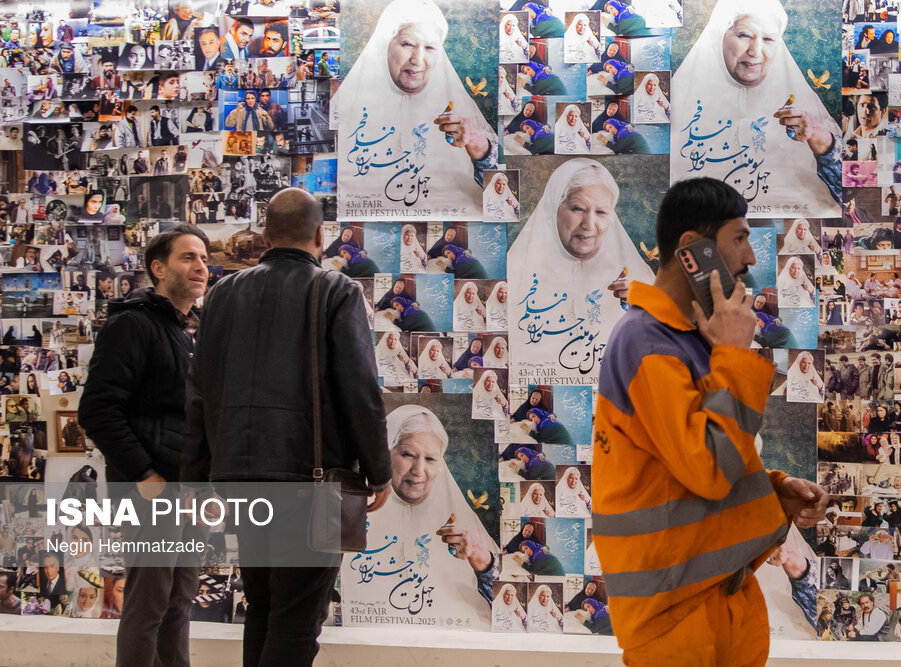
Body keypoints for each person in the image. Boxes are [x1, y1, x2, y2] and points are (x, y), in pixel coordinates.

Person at [593, 177, 827, 666]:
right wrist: (732, 354)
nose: (750, 258)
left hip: (717, 600)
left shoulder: (689, 340)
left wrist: (772, 491)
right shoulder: (643, 340)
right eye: (739, 238)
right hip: (673, 618)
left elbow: (688, 470)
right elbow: (708, 469)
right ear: (691, 251)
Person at [180, 189, 392, 666]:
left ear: (265, 235)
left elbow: (199, 394)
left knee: (264, 607)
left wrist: (193, 478)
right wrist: (379, 471)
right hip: (308, 483)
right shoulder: (335, 290)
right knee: (297, 619)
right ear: (321, 235)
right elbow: (359, 390)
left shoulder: (222, 294)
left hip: (238, 480)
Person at [78, 225, 210, 666]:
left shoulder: (191, 328)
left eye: (204, 259)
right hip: (150, 491)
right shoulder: (133, 324)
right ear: (158, 268)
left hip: (188, 491)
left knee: (178, 602)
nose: (200, 267)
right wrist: (143, 474)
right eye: (188, 257)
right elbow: (97, 411)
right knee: (149, 604)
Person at [671, 0, 842, 216]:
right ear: (719, 36)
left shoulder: (804, 106)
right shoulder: (677, 102)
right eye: (744, 35)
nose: (755, 51)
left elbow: (853, 199)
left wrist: (823, 141)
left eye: (769, 39)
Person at [334, 0, 497, 220]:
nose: (417, 60)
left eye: (430, 47)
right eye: (408, 44)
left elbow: (504, 194)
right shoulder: (346, 106)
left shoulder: (459, 108)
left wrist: (480, 148)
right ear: (385, 45)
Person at [343, 404, 498, 625]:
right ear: (386, 454)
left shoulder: (461, 520)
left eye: (431, 459)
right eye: (408, 454)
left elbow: (509, 607)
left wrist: (482, 561)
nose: (418, 470)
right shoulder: (350, 512)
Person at [507, 158, 652, 382]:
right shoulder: (511, 277)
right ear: (553, 207)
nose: (588, 224)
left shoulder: (641, 284)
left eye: (602, 212)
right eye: (578, 208)